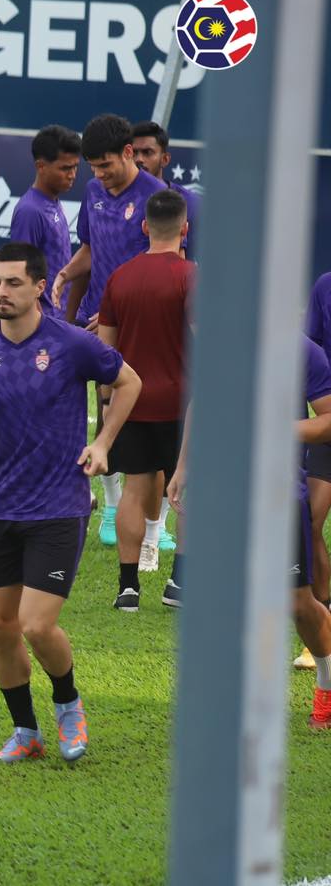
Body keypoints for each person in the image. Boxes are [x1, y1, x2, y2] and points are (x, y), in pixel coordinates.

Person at [0, 242, 141, 762]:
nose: (1, 292)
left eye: (12, 283)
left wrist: (103, 443)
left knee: (35, 624)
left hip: (59, 506)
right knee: (0, 626)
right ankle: (26, 733)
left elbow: (129, 382)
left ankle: (68, 704)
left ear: (38, 287)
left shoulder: (71, 343)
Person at [168, 336, 331, 730]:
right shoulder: (224, 336)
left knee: (298, 603)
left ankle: (327, 684)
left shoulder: (301, 350)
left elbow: (327, 420)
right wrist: (184, 466)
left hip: (279, 493)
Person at [51, 114, 166, 550]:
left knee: (146, 422)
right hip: (98, 324)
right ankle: (114, 509)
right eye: (93, 167)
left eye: (106, 165)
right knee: (105, 414)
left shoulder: (156, 197)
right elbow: (90, 249)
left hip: (142, 325)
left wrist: (119, 309)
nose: (99, 175)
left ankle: (155, 528)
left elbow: (164, 266)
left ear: (128, 153)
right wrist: (66, 273)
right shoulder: (94, 192)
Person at [0, 125, 82, 488]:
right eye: (65, 168)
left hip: (53, 323)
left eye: (75, 167)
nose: (72, 175)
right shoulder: (30, 210)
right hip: (36, 328)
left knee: (49, 409)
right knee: (32, 407)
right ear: (40, 166)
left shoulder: (54, 205)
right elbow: (16, 271)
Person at [98, 189, 194, 609]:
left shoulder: (120, 277)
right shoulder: (191, 276)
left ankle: (128, 588)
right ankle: (178, 585)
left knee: (134, 491)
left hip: (131, 403)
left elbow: (105, 352)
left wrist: (107, 402)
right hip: (183, 406)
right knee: (189, 492)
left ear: (144, 227)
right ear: (185, 229)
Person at [301, 271, 331, 670]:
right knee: (310, 522)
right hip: (329, 427)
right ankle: (322, 621)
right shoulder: (325, 285)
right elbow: (312, 349)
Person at [130, 120, 201, 259]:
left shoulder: (191, 204)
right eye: (134, 153)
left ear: (165, 159)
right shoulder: (113, 202)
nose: (139, 159)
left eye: (147, 152)